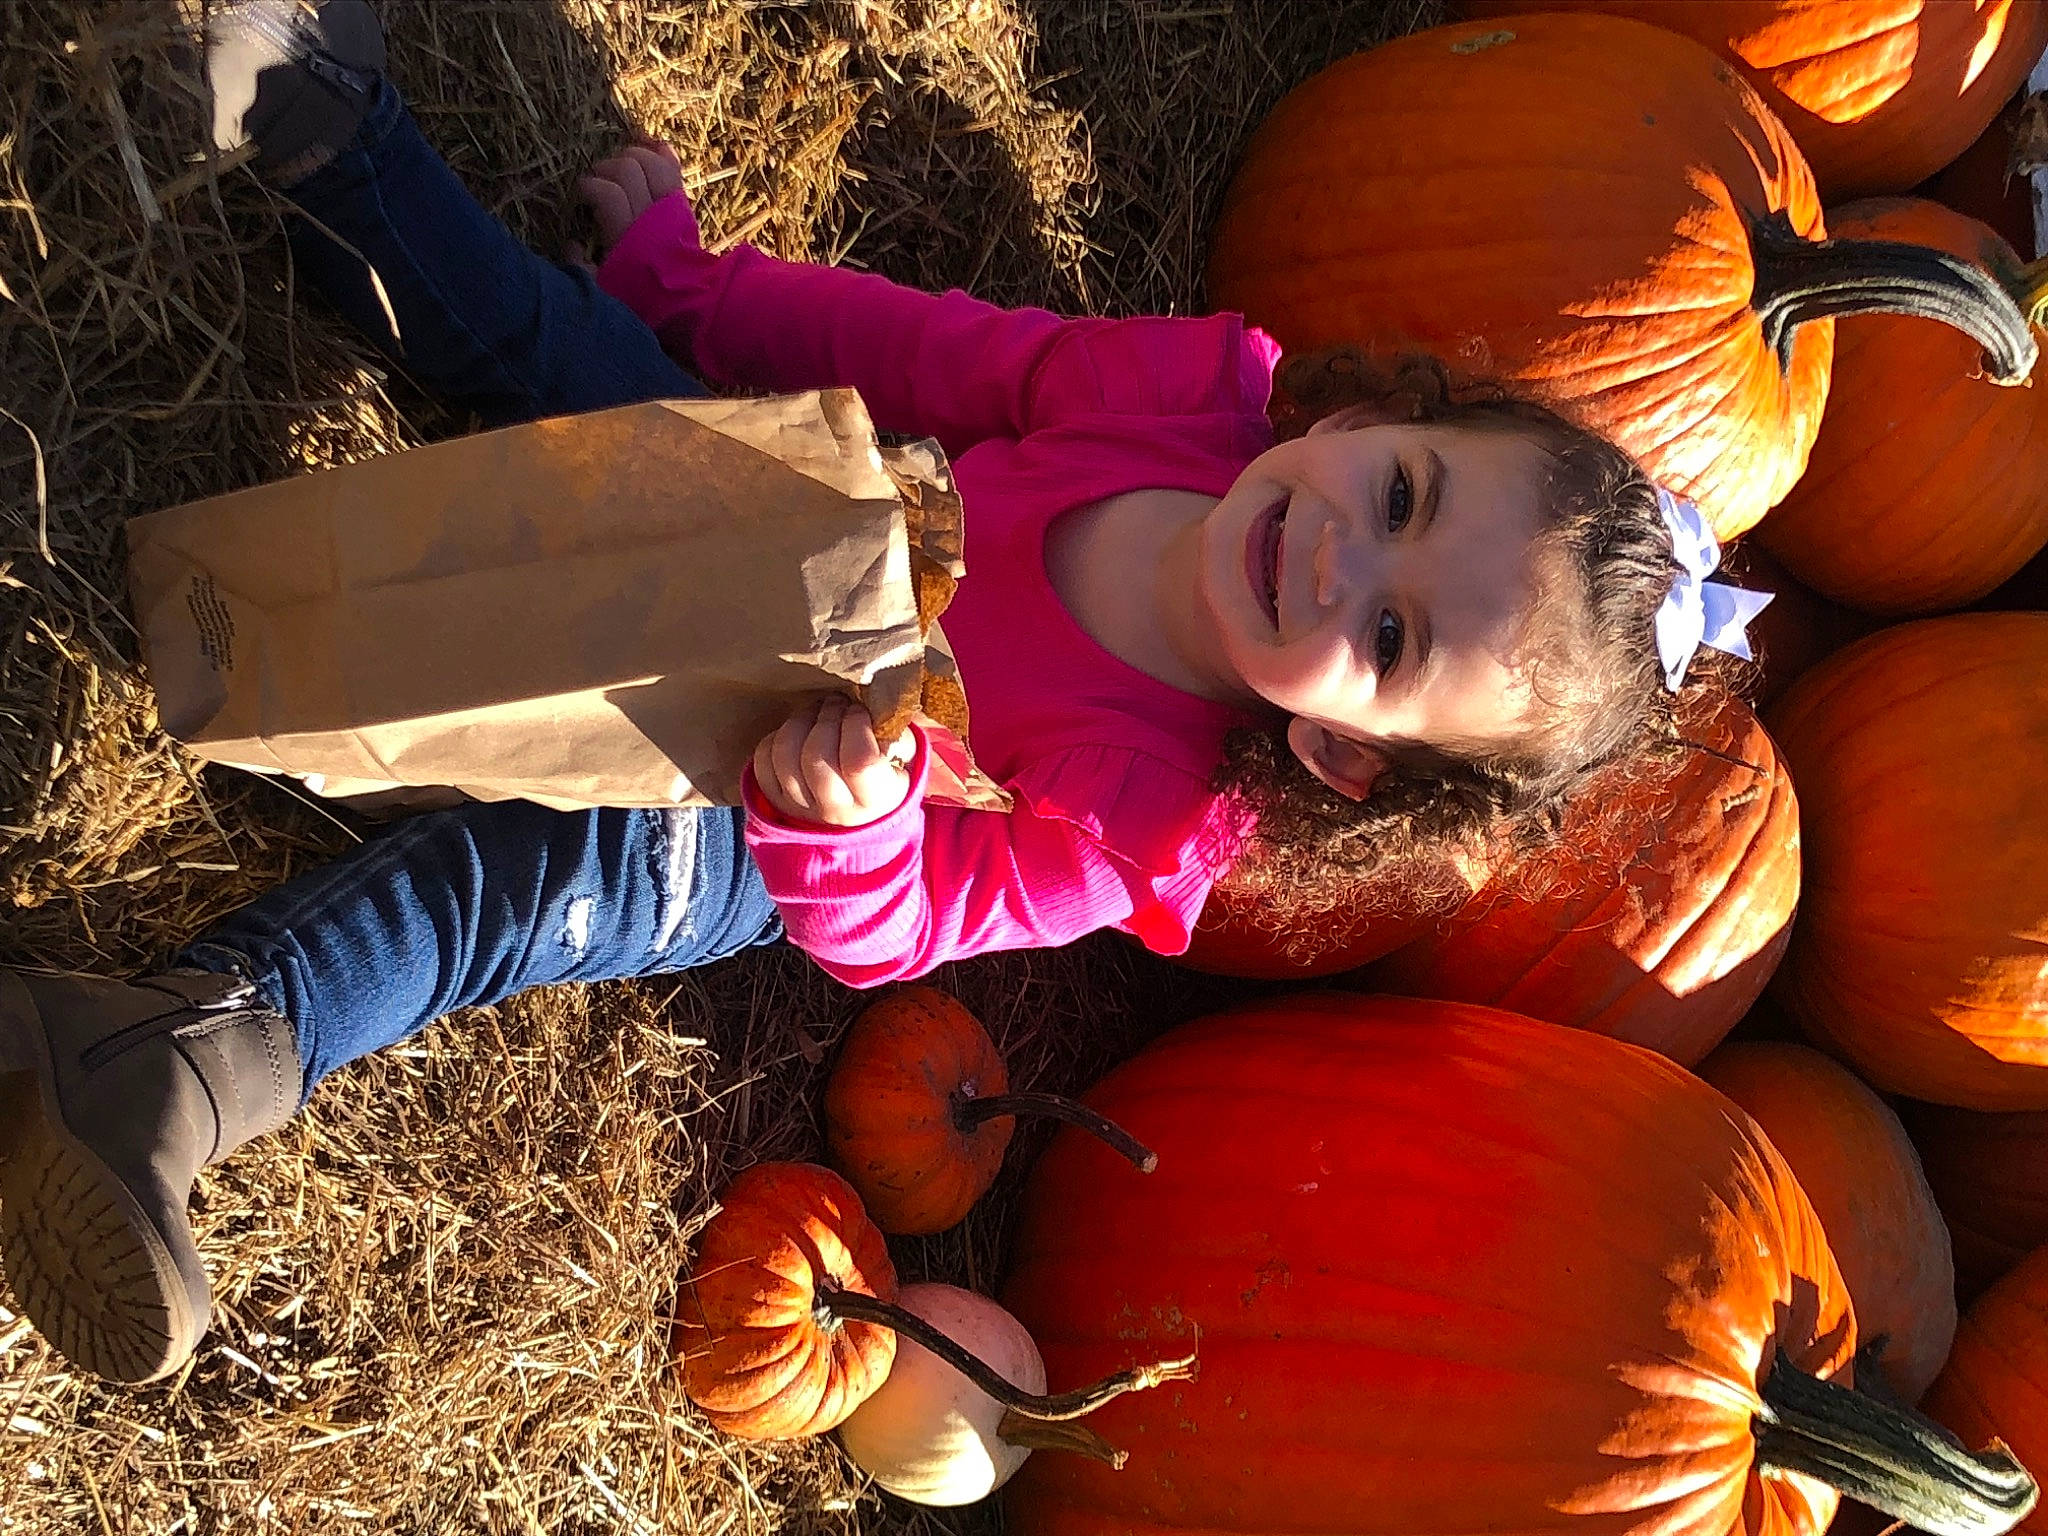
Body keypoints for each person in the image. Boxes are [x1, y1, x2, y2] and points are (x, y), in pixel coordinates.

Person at [0, 0, 1763, 1386]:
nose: (1341, 561)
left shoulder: (1143, 822)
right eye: (1404, 495)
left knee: (504, 894)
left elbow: (904, 927)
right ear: (1370, 417)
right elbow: (929, 353)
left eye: (1389, 641)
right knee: (562, 359)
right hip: (773, 526)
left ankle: (181, 1059)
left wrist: (835, 824)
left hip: (749, 808)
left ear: (1341, 751)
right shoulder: (1189, 402)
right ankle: (322, 121)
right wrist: (691, 288)